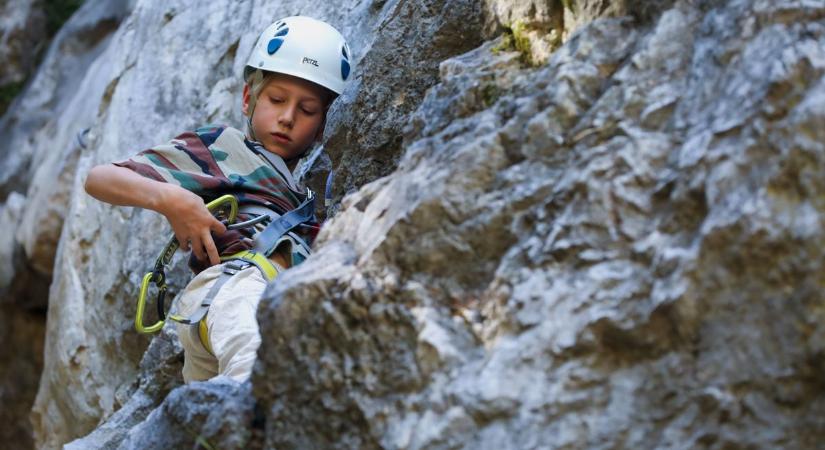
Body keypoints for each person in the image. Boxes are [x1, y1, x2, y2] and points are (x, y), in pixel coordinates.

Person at [84, 16, 354, 383]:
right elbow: (101, 179)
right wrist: (173, 199)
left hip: (249, 310)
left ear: (322, 126)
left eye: (306, 111)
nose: (288, 118)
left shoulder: (307, 197)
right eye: (276, 99)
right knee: (256, 377)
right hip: (235, 294)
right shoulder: (221, 146)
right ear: (248, 98)